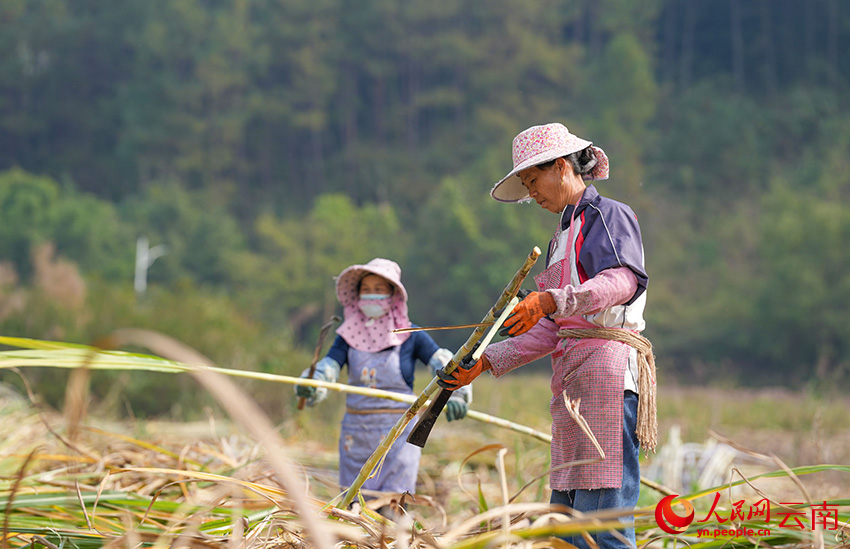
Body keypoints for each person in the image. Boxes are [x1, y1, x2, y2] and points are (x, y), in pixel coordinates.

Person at [437, 123, 656, 548]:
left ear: (560, 167)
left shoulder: (605, 216)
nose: (531, 193)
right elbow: (549, 331)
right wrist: (484, 363)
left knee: (603, 521)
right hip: (573, 384)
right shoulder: (560, 238)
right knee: (567, 521)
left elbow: (624, 281)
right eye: (525, 184)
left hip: (607, 374)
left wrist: (553, 299)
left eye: (533, 180)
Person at [295, 258, 471, 501]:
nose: (371, 296)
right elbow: (329, 367)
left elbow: (444, 366)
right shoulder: (347, 336)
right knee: (354, 505)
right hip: (357, 434)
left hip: (398, 433)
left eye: (378, 290)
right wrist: (312, 383)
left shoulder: (410, 335)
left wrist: (456, 393)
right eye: (366, 290)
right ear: (356, 296)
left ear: (393, 296)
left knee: (394, 504)